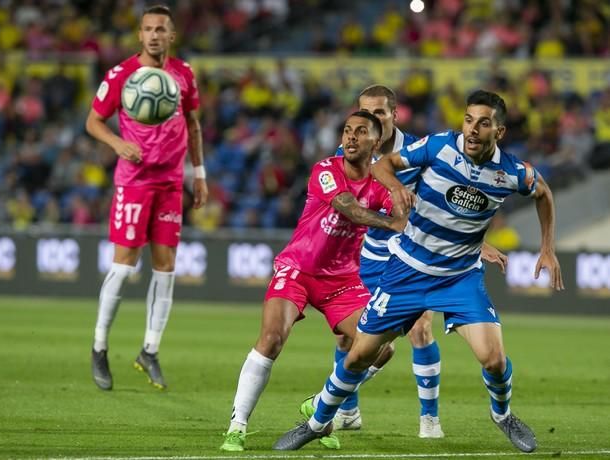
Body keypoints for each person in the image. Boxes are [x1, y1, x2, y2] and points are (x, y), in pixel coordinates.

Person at [273, 90, 564, 453]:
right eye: (469, 120)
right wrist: (395, 188)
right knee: (359, 354)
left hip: (460, 277)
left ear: (499, 132)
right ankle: (316, 423)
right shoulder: (439, 146)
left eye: (483, 123)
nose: (472, 129)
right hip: (407, 271)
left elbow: (544, 192)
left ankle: (502, 415)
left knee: (493, 358)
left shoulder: (511, 173)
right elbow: (383, 165)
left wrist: (547, 248)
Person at [303, 85, 508, 443]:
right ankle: (348, 412)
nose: (373, 120)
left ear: (394, 116)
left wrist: (479, 242)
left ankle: (429, 419)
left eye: (380, 113)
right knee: (350, 340)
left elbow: (448, 202)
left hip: (413, 255)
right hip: (366, 257)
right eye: (366, 113)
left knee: (420, 331)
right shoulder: (348, 151)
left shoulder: (418, 149)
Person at [220, 111, 405, 452]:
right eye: (347, 130)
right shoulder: (326, 169)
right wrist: (390, 222)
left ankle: (319, 403)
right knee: (273, 338)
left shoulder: (380, 184)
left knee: (382, 348)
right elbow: (349, 208)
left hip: (342, 280)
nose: (350, 137)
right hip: (298, 269)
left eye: (360, 131)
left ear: (375, 142)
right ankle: (237, 426)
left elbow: (407, 213)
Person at [86, 5, 207, 391]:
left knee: (166, 267)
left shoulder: (184, 74)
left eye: (161, 29)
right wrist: (118, 143)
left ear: (171, 36)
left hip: (171, 183)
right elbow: (92, 121)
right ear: (140, 35)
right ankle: (99, 347)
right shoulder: (122, 75)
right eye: (148, 29)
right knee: (124, 266)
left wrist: (199, 174)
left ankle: (149, 350)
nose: (154, 35)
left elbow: (193, 123)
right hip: (135, 181)